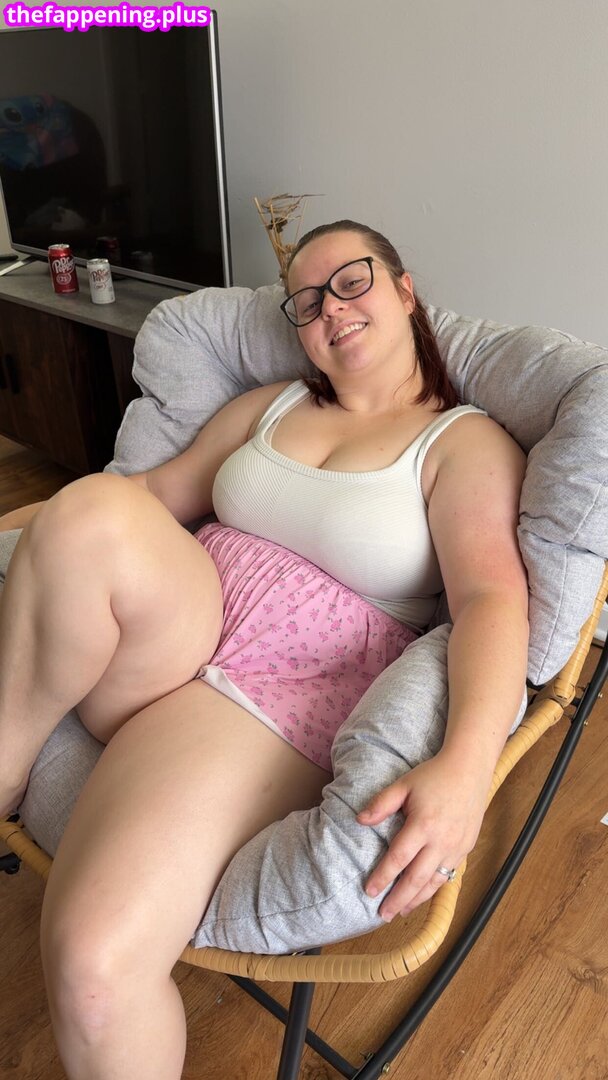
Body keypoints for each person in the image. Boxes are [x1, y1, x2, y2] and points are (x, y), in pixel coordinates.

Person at [0, 220, 529, 1079]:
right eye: (307, 302)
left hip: (276, 691)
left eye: (352, 281)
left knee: (93, 966)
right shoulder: (271, 405)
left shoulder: (462, 443)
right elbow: (143, 500)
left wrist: (468, 767)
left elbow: (491, 604)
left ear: (404, 291)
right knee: (89, 504)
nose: (330, 309)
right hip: (175, 630)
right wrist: (25, 532)